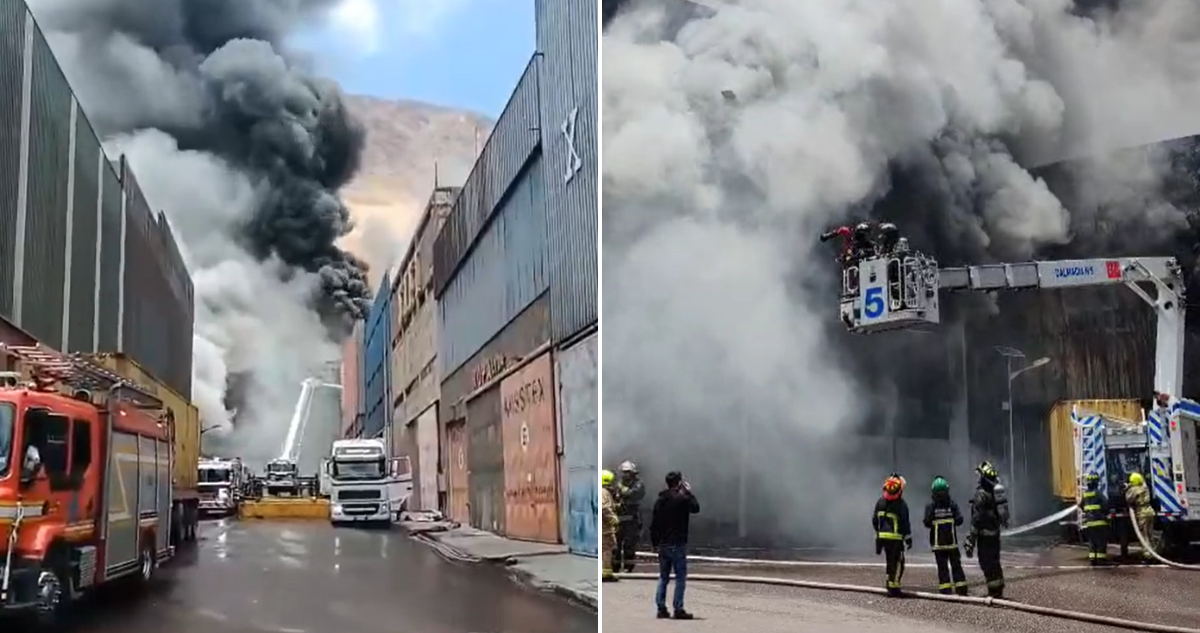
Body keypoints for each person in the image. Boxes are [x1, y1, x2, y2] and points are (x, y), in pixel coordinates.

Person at [649, 471, 699, 620]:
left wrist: (654, 543)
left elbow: (654, 524)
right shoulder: (682, 499)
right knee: (680, 578)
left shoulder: (660, 500)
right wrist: (689, 492)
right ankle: (678, 608)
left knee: (663, 577)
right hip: (677, 543)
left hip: (663, 544)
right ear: (679, 483)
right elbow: (696, 508)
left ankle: (661, 608)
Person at [966, 461, 1009, 598]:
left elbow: (976, 519)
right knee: (995, 562)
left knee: (986, 563)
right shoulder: (994, 493)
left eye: (979, 475)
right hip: (995, 535)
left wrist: (970, 541)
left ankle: (993, 592)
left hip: (984, 537)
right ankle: (998, 589)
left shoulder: (981, 494)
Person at [923, 476, 968, 596]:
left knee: (942, 568)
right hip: (951, 543)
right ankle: (961, 589)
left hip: (938, 545)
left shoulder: (931, 507)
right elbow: (960, 520)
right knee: (956, 566)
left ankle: (945, 590)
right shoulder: (952, 505)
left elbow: (927, 523)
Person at [873, 474, 912, 597]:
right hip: (895, 538)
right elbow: (905, 523)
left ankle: (889, 581)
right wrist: (908, 538)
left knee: (889, 561)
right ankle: (894, 587)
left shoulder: (880, 502)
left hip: (882, 538)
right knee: (899, 562)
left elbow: (874, 520)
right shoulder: (901, 504)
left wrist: (879, 533)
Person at [614, 460, 646, 573]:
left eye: (627, 472)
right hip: (618, 520)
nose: (625, 475)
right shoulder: (618, 484)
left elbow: (634, 494)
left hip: (632, 520)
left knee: (629, 545)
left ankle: (628, 568)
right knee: (616, 545)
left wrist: (622, 490)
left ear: (633, 473)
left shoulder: (638, 484)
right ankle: (615, 567)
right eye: (623, 472)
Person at [1124, 472, 1158, 563]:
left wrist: (1127, 488)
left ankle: (1148, 556)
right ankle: (1154, 553)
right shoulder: (1144, 487)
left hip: (1142, 513)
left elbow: (1128, 499)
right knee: (1151, 535)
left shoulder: (1134, 490)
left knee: (1144, 535)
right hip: (1150, 512)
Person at [1080, 472, 1110, 565]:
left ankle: (1093, 559)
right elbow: (1106, 505)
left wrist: (1087, 513)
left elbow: (1081, 505)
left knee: (1092, 542)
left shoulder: (1085, 495)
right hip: (1100, 522)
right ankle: (1101, 559)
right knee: (1101, 542)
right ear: (1096, 482)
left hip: (1089, 523)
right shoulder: (1098, 493)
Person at [600, 469, 620, 582]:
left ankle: (606, 572)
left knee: (607, 549)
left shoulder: (603, 492)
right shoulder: (604, 492)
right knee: (607, 549)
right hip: (605, 528)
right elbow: (605, 508)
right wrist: (614, 520)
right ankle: (605, 573)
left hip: (604, 528)